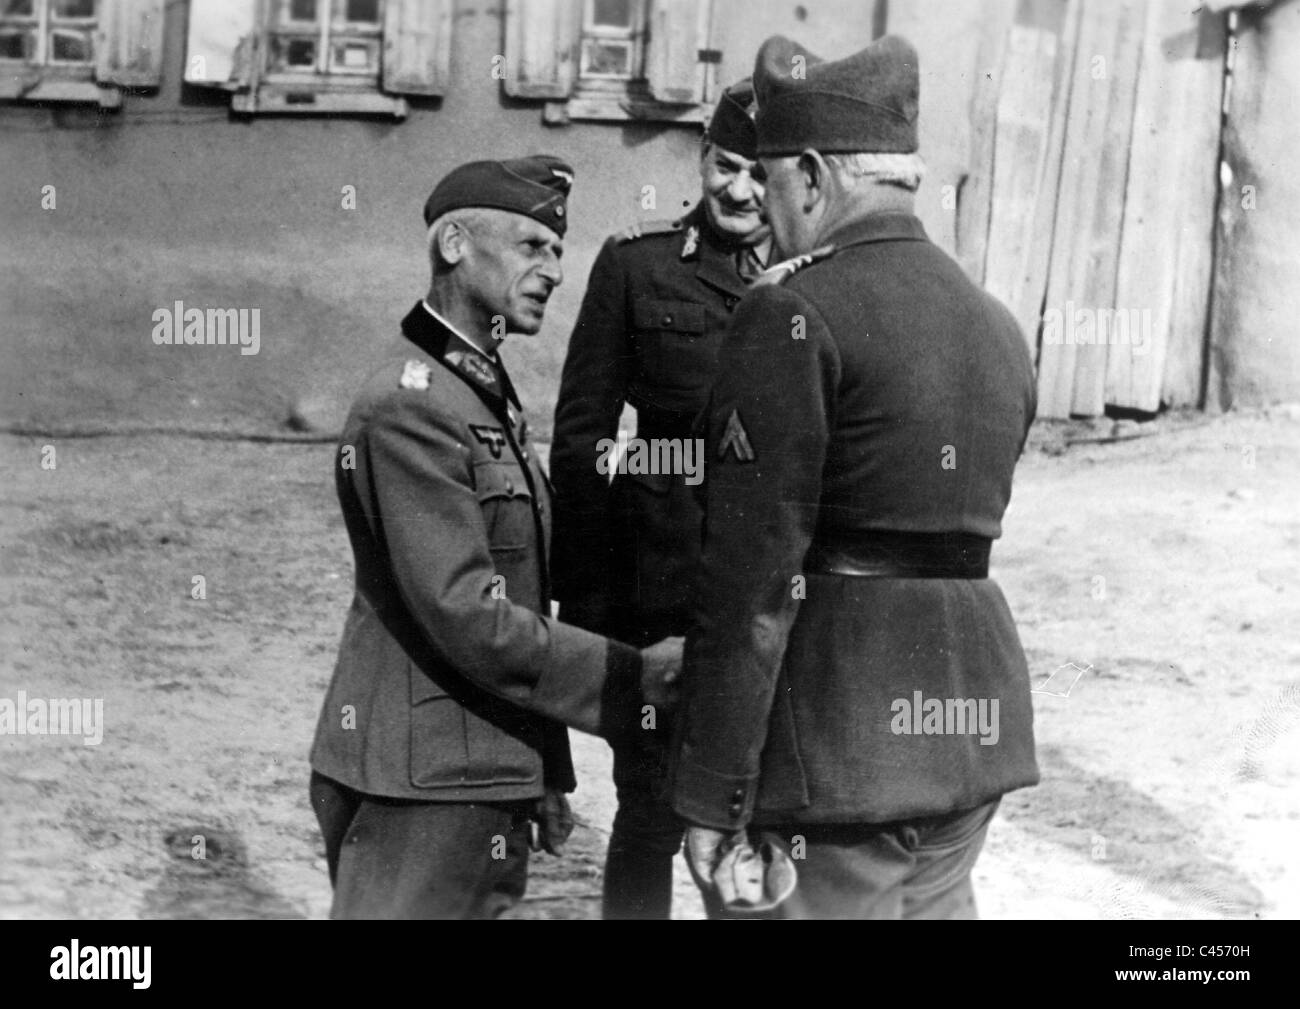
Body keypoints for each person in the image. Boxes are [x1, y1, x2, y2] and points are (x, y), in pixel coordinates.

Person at [671, 35, 1041, 919]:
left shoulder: (790, 311)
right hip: (970, 727)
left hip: (836, 739)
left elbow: (753, 582)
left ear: (809, 176)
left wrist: (713, 793)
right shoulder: (996, 322)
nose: (763, 209)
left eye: (768, 182)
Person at [307, 155, 682, 920]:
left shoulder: (477, 392)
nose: (554, 271)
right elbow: (468, 613)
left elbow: (522, 592)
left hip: (476, 767)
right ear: (455, 245)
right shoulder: (412, 404)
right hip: (419, 780)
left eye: (558, 251)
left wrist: (542, 767)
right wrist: (634, 676)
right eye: (531, 246)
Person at [549, 81, 771, 919]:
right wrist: (590, 611)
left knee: (755, 817)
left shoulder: (812, 281)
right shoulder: (637, 267)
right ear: (702, 158)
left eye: (759, 173)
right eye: (725, 166)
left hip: (769, 600)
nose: (739, 190)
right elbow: (583, 442)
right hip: (660, 594)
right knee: (649, 812)